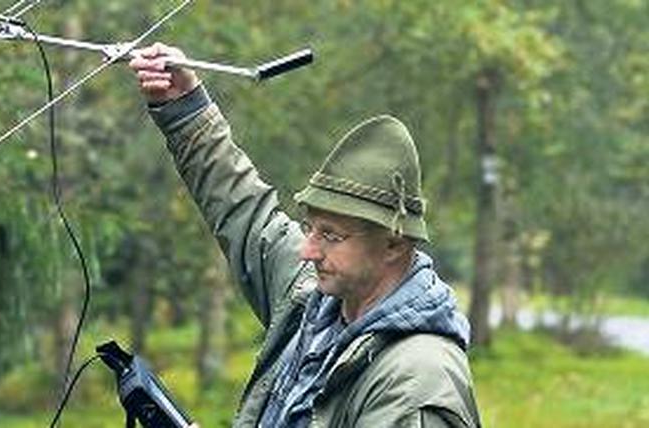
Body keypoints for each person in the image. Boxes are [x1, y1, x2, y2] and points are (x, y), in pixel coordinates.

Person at [128, 43, 482, 428]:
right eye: (310, 227)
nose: (308, 250)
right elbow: (245, 210)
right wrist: (185, 108)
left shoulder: (417, 383)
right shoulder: (313, 302)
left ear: (393, 245)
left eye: (330, 235)